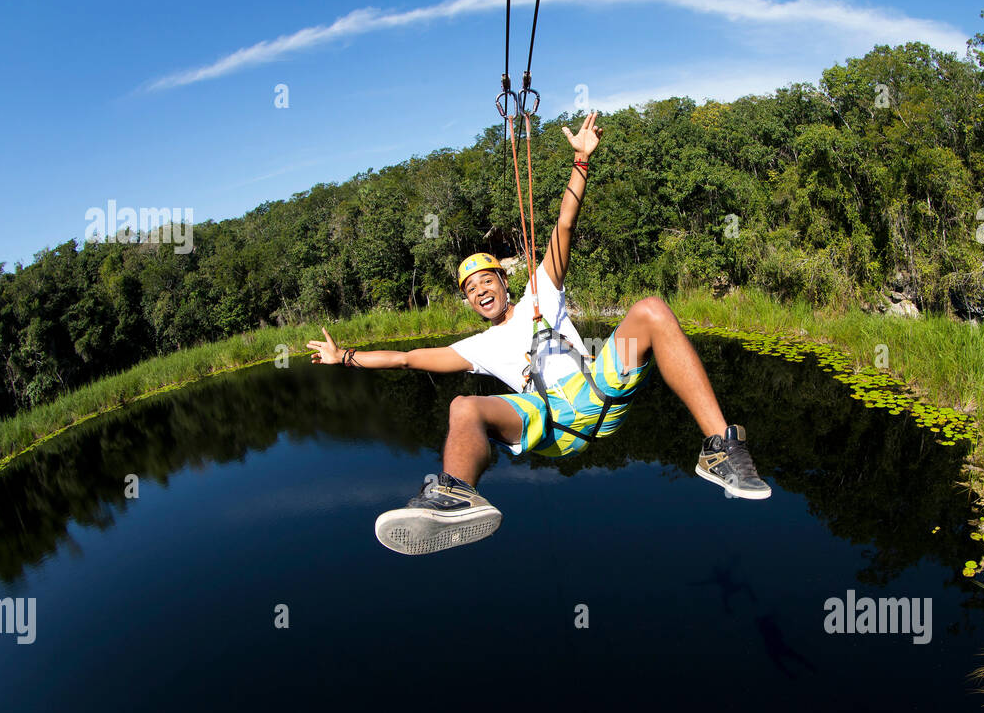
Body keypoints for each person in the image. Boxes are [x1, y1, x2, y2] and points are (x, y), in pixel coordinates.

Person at [307, 112, 770, 555]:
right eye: (471, 289)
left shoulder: (540, 290)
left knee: (650, 310)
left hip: (595, 392)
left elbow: (564, 223)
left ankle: (721, 450)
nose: (480, 290)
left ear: (503, 283)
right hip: (547, 421)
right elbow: (406, 359)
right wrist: (344, 356)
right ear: (469, 303)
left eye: (487, 280)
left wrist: (582, 161)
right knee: (463, 406)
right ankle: (456, 495)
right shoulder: (478, 348)